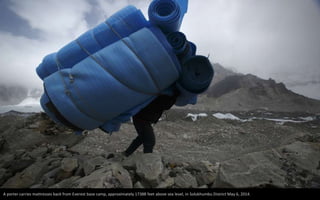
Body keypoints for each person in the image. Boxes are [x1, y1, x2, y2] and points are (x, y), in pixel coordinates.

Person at [122, 90, 180, 157]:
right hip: (142, 120)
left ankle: (126, 153)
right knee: (150, 141)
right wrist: (175, 96)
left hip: (141, 118)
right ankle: (148, 161)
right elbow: (166, 105)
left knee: (142, 138)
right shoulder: (162, 96)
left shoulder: (160, 92)